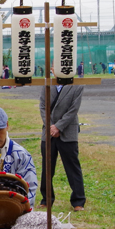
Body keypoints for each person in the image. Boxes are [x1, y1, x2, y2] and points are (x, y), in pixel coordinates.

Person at [39, 79, 85, 211]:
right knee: (47, 167)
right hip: (48, 131)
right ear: (52, 68)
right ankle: (46, 199)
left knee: (72, 166)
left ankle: (78, 201)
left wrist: (58, 127)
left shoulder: (77, 85)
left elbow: (73, 109)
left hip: (68, 131)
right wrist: (51, 127)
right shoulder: (48, 83)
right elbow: (43, 106)